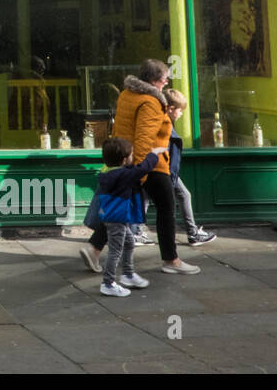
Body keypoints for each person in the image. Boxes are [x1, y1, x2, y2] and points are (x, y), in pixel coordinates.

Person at [81, 59, 201, 276]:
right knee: (166, 206)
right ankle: (171, 260)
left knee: (121, 207)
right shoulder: (150, 102)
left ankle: (94, 249)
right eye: (164, 80)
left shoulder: (127, 94)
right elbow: (145, 138)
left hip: (127, 158)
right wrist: (141, 172)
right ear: (154, 81)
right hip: (151, 163)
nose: (165, 84)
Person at [95, 136, 166, 297]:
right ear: (124, 160)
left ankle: (128, 274)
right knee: (115, 251)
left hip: (112, 217)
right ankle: (108, 283)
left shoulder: (107, 171)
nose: (133, 157)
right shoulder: (123, 175)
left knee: (128, 243)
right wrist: (154, 153)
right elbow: (143, 168)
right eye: (131, 154)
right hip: (117, 219)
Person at [163, 88, 215, 246]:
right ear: (171, 109)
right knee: (183, 196)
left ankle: (136, 231)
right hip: (164, 169)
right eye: (180, 110)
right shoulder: (164, 124)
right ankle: (192, 234)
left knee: (145, 198)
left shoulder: (164, 122)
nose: (181, 114)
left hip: (164, 169)